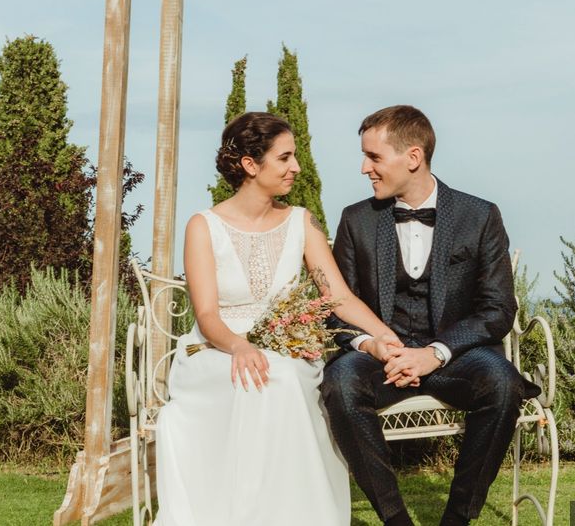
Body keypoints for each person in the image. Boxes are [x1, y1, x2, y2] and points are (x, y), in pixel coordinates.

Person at [155, 112, 401, 526]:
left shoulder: (300, 222)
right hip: (215, 352)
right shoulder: (204, 226)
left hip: (286, 352)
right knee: (264, 378)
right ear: (251, 165)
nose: (296, 167)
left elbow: (337, 297)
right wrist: (239, 345)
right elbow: (207, 313)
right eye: (285, 158)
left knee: (281, 377)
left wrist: (387, 337)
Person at [322, 105, 541, 526]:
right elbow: (338, 312)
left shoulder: (479, 216)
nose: (364, 167)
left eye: (374, 157)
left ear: (414, 157)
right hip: (379, 358)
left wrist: (436, 353)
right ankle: (395, 519)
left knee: (502, 383)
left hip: (456, 356)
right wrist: (375, 345)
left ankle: (458, 518)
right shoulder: (356, 220)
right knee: (340, 383)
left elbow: (498, 309)